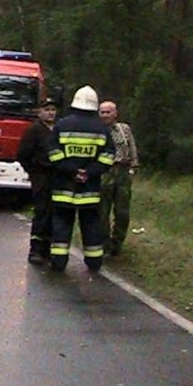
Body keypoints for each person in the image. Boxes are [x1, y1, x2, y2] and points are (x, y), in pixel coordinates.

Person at [46, 85, 115, 272]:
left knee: (61, 224)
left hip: (64, 187)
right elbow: (108, 157)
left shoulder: (62, 125)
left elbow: (53, 153)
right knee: (92, 225)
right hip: (90, 189)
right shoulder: (101, 129)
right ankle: (94, 262)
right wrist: (89, 172)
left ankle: (59, 262)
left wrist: (72, 171)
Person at [17, 97, 59, 265]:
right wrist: (34, 172)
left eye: (53, 110)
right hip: (41, 177)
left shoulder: (59, 129)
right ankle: (35, 249)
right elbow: (22, 155)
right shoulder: (34, 130)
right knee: (41, 212)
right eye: (47, 109)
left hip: (57, 176)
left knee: (55, 213)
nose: (50, 113)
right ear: (39, 112)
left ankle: (49, 248)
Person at [98, 99, 140, 256]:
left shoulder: (124, 129)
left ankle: (118, 243)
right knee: (102, 212)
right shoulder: (96, 130)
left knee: (122, 212)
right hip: (104, 172)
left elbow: (132, 147)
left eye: (108, 112)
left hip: (122, 171)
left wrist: (133, 167)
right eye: (102, 112)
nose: (105, 115)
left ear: (115, 113)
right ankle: (105, 245)